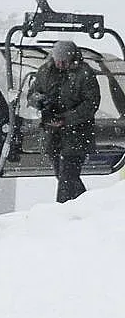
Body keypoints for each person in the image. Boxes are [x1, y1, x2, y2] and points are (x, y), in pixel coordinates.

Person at [27, 40, 100, 203]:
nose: (60, 64)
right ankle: (87, 204)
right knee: (63, 175)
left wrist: (66, 119)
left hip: (77, 134)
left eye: (64, 61)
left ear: (72, 58)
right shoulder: (45, 71)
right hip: (53, 134)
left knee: (67, 177)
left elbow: (91, 103)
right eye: (57, 60)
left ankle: (61, 211)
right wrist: (40, 101)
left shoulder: (84, 74)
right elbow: (32, 94)